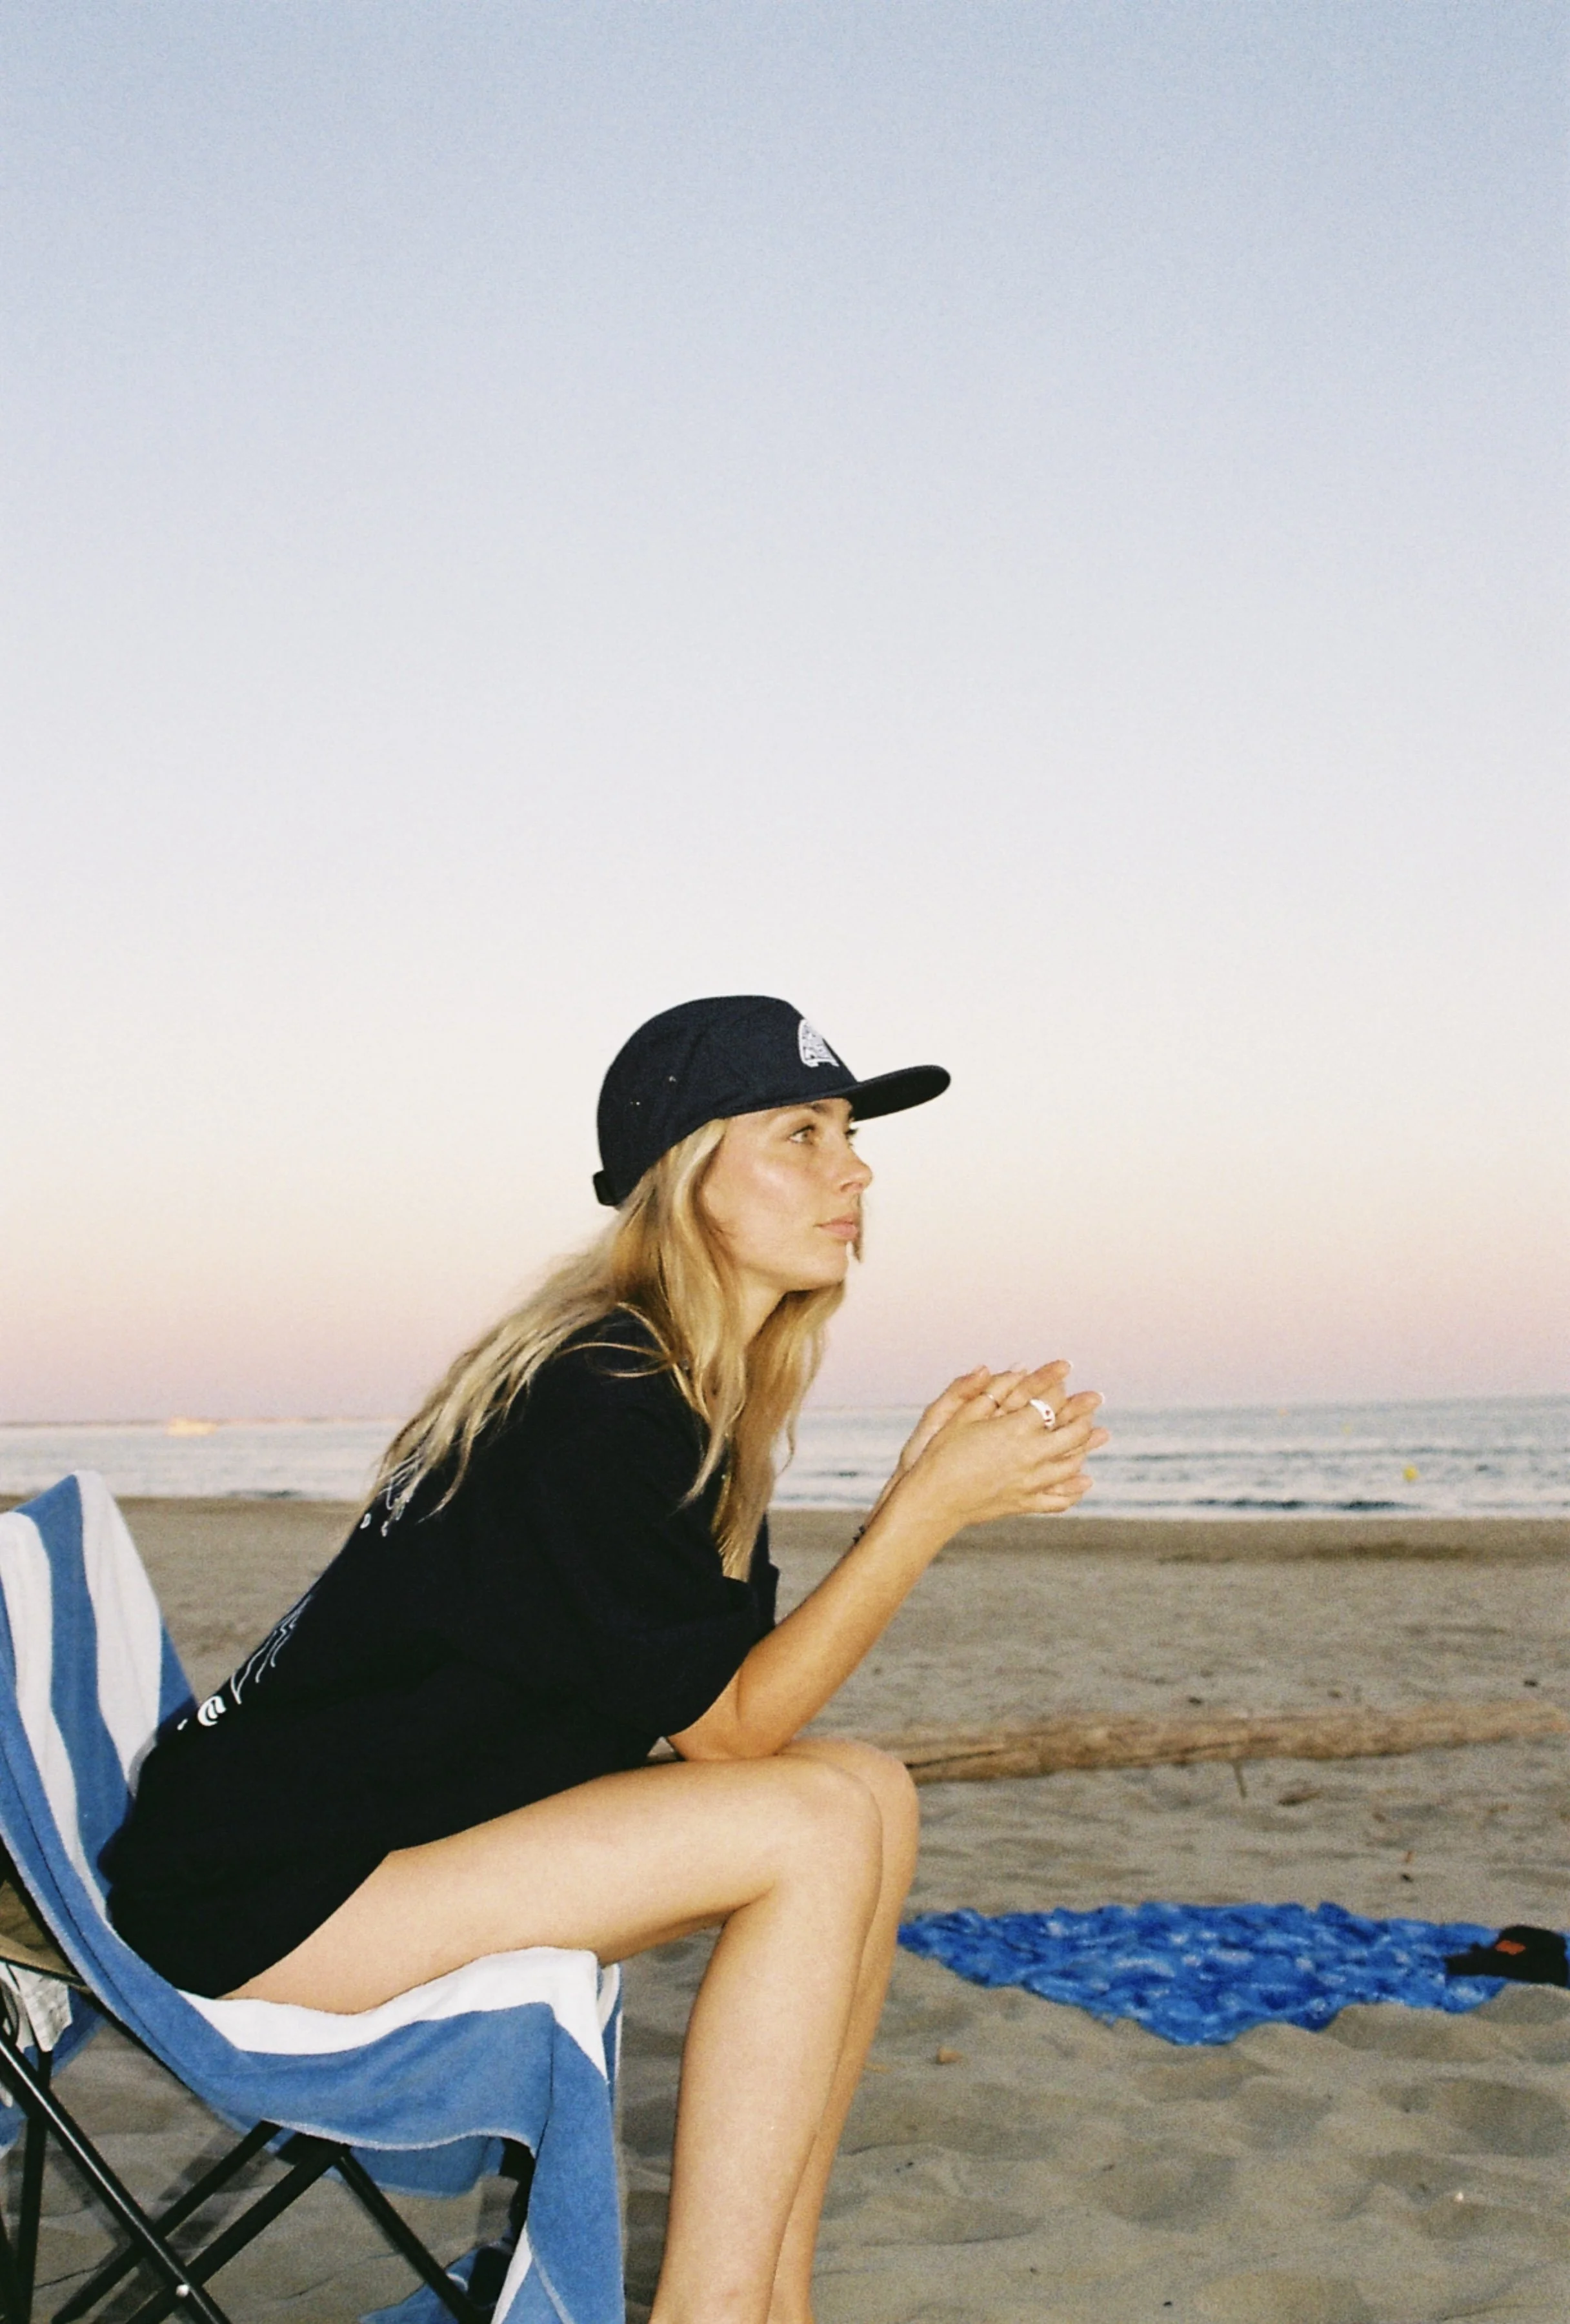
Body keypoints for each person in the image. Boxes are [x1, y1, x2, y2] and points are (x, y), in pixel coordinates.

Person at [104, 994, 1107, 2324]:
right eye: (800, 1136)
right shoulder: (604, 1394)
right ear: (688, 1175)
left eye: (851, 1135)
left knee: (869, 1789)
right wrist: (921, 1510)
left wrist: (915, 1489)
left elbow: (728, 1706)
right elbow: (731, 1735)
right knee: (811, 1817)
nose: (855, 1168)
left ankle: (771, 2303)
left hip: (345, 1850)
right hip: (269, 1894)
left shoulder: (674, 1382)